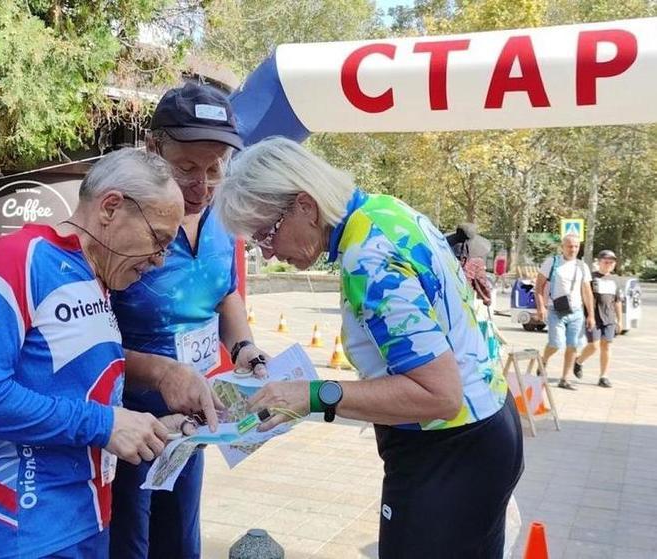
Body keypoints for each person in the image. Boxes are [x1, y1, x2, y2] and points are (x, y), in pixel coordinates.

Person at [213, 137, 524, 559]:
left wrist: (312, 396)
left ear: (305, 205)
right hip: (484, 428)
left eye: (266, 234)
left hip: (448, 452)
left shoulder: (368, 258)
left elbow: (440, 395)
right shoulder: (381, 212)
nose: (267, 255)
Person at [0, 149, 199, 558]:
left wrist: (153, 424)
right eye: (158, 238)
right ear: (111, 207)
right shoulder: (19, 258)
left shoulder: (94, 274)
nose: (160, 258)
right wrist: (104, 423)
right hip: (32, 529)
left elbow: (72, 385)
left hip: (90, 519)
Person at [110, 83, 269, 559]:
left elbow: (225, 293)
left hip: (194, 420)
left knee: (180, 541)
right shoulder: (125, 224)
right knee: (128, 545)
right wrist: (161, 373)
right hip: (125, 419)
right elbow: (83, 341)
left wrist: (244, 348)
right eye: (186, 170)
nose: (202, 185)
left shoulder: (222, 217)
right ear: (154, 149)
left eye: (215, 169)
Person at [534, 234, 595, 390]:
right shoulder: (552, 262)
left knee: (573, 345)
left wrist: (591, 315)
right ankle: (544, 360)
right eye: (569, 246)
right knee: (555, 343)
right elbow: (539, 286)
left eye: (576, 246)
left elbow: (587, 292)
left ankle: (565, 379)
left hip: (576, 312)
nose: (573, 249)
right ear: (562, 247)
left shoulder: (582, 266)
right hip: (555, 310)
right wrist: (541, 306)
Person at [574, 249, 623, 387]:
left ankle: (604, 377)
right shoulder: (591, 278)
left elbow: (617, 301)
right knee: (594, 346)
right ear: (599, 262)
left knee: (606, 346)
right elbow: (584, 296)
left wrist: (620, 320)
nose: (608, 264)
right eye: (605, 261)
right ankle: (578, 361)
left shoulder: (615, 280)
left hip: (609, 319)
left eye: (611, 262)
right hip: (593, 317)